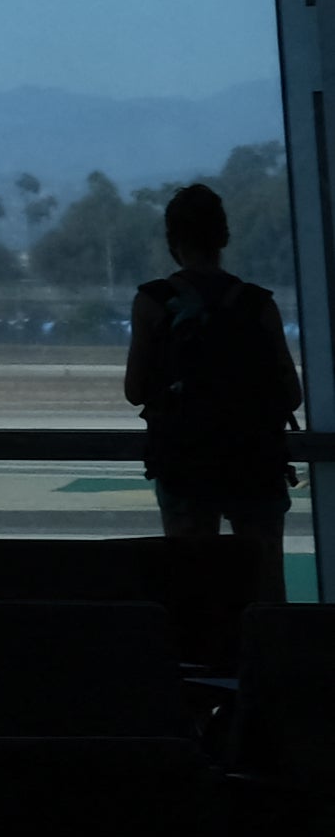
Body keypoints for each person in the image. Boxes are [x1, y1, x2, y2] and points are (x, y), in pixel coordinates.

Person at [129, 177, 301, 647]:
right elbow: (290, 394)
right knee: (266, 584)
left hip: (184, 464)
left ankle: (199, 671)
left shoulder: (153, 303)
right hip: (254, 462)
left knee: (190, 583)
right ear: (223, 237)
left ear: (173, 241)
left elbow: (134, 390)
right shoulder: (257, 304)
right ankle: (272, 669)